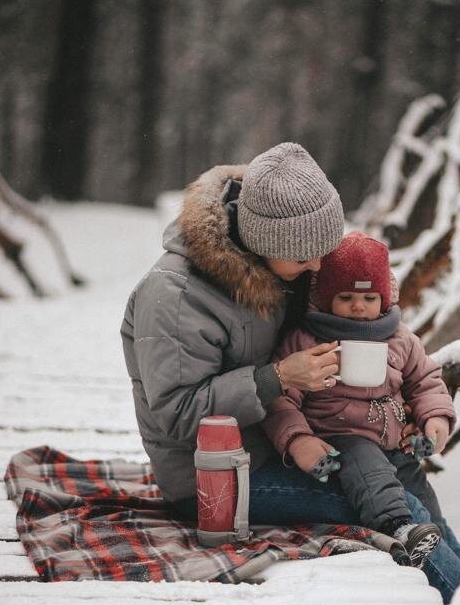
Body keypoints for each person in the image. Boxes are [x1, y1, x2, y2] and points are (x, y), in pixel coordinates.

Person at [121, 141, 431, 534]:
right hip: (217, 477)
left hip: (300, 443)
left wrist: (398, 410)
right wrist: (278, 378)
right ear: (266, 243)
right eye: (306, 256)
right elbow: (178, 413)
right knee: (406, 509)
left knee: (409, 484)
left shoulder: (289, 269)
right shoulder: (176, 296)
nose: (318, 265)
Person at [262, 231, 460, 605]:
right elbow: (283, 402)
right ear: (325, 299)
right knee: (373, 469)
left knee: (440, 529)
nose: (359, 308)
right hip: (343, 446)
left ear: (385, 298)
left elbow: (426, 382)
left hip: (398, 452)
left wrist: (433, 419)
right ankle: (397, 528)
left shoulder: (400, 340)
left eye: (369, 298)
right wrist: (299, 440)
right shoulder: (308, 341)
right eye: (347, 299)